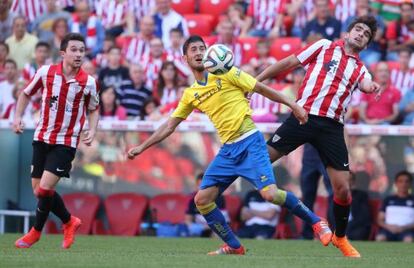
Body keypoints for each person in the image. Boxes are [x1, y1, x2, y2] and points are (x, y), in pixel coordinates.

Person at [128, 35, 332, 255]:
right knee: (202, 200)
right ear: (185, 58)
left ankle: (316, 222)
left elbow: (262, 89)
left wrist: (293, 104)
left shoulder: (227, 72)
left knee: (270, 195)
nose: (198, 53)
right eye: (193, 50)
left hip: (250, 142)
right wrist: (142, 147)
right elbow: (169, 126)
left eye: (202, 49)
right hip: (227, 151)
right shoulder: (190, 94)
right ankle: (235, 246)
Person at [256, 15, 382, 257]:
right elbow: (288, 63)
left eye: (366, 35)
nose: (360, 35)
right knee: (260, 159)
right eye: (358, 29)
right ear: (348, 32)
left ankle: (341, 237)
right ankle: (216, 194)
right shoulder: (324, 46)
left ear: (366, 45)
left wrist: (372, 86)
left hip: (332, 128)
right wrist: (256, 80)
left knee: (343, 189)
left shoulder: (360, 68)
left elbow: (366, 83)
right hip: (303, 116)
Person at [13, 33, 100, 249]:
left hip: (66, 141)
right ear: (63, 53)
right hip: (41, 137)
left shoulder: (88, 82)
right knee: (38, 190)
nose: (79, 54)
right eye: (74, 50)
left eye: (82, 50)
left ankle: (35, 231)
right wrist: (17, 117)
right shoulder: (45, 72)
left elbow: (94, 108)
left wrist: (92, 129)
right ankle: (70, 221)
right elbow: (25, 94)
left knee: (44, 189)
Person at [185, 172, 228, 237]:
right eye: (200, 186)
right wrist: (198, 227)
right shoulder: (192, 199)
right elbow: (188, 221)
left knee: (218, 233)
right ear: (196, 186)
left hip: (215, 228)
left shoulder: (219, 198)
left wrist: (210, 227)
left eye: (205, 186)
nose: (203, 189)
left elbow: (222, 220)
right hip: (199, 229)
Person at [376, 171, 414, 242]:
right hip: (388, 230)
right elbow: (380, 219)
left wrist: (403, 228)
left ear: (410, 184)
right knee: (380, 238)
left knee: (409, 240)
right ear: (396, 183)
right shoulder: (388, 200)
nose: (403, 184)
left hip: (407, 231)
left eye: (406, 181)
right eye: (400, 181)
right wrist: (389, 227)